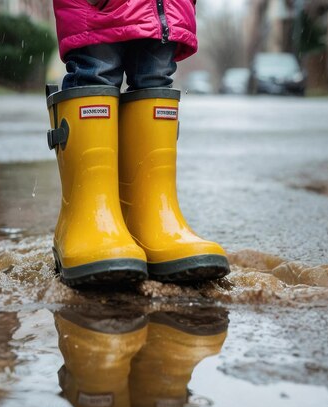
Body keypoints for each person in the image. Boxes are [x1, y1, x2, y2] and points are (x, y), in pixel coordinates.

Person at [46, 0, 230, 287]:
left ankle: (147, 222)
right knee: (96, 69)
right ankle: (87, 220)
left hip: (166, 9)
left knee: (155, 77)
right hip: (98, 7)